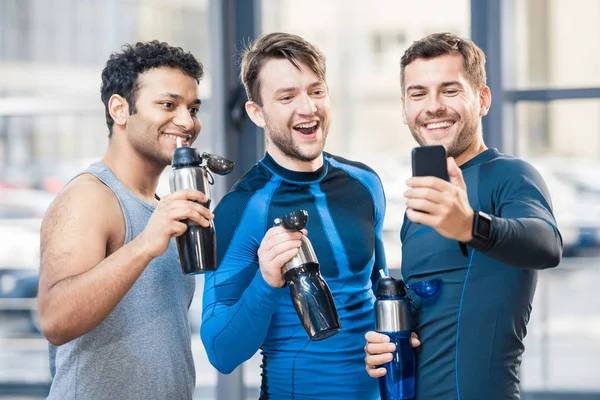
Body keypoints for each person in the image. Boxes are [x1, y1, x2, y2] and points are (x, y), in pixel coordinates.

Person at [200, 32, 417, 399]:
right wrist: (267, 281)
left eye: (316, 91)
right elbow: (221, 352)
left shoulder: (364, 184)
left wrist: (407, 323)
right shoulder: (242, 208)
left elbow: (380, 291)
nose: (308, 108)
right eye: (287, 97)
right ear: (257, 112)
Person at [364, 32, 563, 400]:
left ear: (482, 99)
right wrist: (388, 342)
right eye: (418, 93)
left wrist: (471, 225)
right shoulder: (421, 204)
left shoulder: (510, 175)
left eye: (450, 90)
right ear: (405, 107)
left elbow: (546, 245)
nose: (433, 106)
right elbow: (436, 315)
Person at [38, 41, 212, 400]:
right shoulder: (89, 197)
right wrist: (145, 245)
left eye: (192, 108)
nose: (187, 121)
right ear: (119, 109)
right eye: (168, 104)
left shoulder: (162, 209)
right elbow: (54, 320)